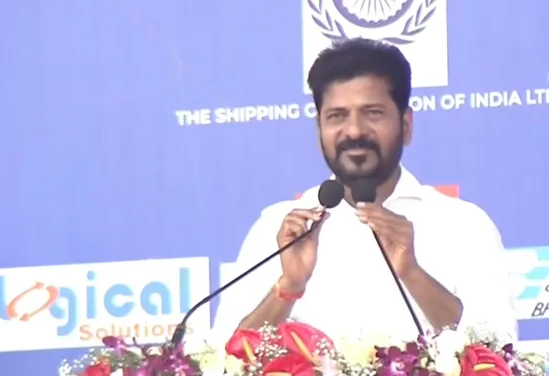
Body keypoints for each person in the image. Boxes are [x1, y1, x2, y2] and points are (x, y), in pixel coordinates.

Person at [212, 38, 517, 345]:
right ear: (319, 128)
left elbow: (500, 356)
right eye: (337, 116)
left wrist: (412, 273)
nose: (355, 131)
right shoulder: (278, 229)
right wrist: (289, 287)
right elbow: (223, 360)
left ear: (406, 124)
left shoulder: (465, 225)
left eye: (373, 113)